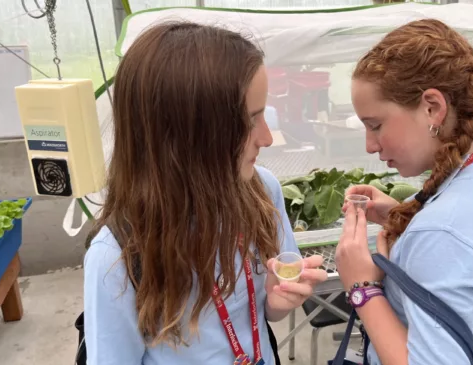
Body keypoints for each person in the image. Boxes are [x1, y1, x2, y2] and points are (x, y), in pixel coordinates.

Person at [83, 21, 327, 365]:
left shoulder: (261, 190)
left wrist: (277, 300)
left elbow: (262, 313)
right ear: (186, 139)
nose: (268, 138)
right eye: (248, 121)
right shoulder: (116, 259)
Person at [335, 19, 473, 365]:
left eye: (375, 125)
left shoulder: (442, 231)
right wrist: (402, 213)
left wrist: (361, 288)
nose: (369, 145)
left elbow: (448, 237)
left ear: (432, 108)